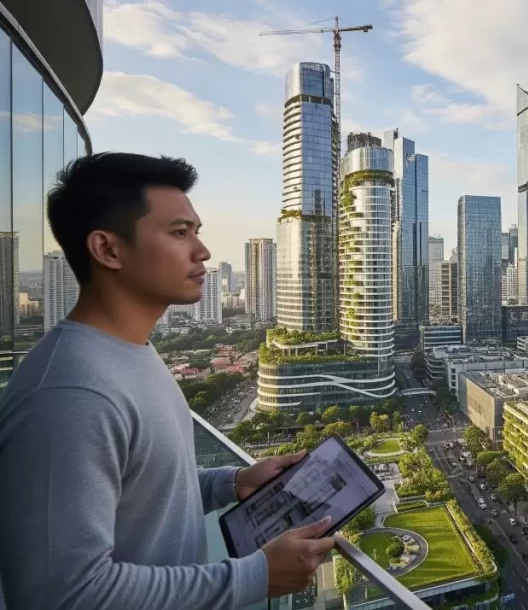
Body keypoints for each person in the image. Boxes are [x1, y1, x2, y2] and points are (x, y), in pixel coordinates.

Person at [0, 153, 335, 609]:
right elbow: (61, 595)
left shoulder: (132, 351)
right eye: (180, 233)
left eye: (196, 232)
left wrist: (230, 483)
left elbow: (137, 494)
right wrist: (255, 577)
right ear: (108, 250)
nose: (202, 251)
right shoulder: (70, 394)